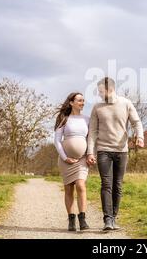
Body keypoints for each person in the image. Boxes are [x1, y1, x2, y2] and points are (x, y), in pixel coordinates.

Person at [87, 77, 144, 231]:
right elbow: (92, 131)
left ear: (110, 89)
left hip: (121, 150)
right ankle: (107, 219)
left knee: (117, 185)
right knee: (106, 183)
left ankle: (113, 217)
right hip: (103, 150)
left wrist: (140, 136)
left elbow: (136, 122)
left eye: (101, 91)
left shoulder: (126, 103)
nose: (99, 94)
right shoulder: (97, 107)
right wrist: (89, 152)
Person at [54, 92, 91, 232]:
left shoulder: (87, 119)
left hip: (81, 159)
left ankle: (83, 219)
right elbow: (57, 141)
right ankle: (71, 219)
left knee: (81, 186)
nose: (82, 102)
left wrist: (89, 154)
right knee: (69, 188)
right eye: (79, 100)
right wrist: (65, 157)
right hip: (65, 160)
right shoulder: (63, 118)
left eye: (83, 100)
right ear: (71, 102)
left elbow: (90, 139)